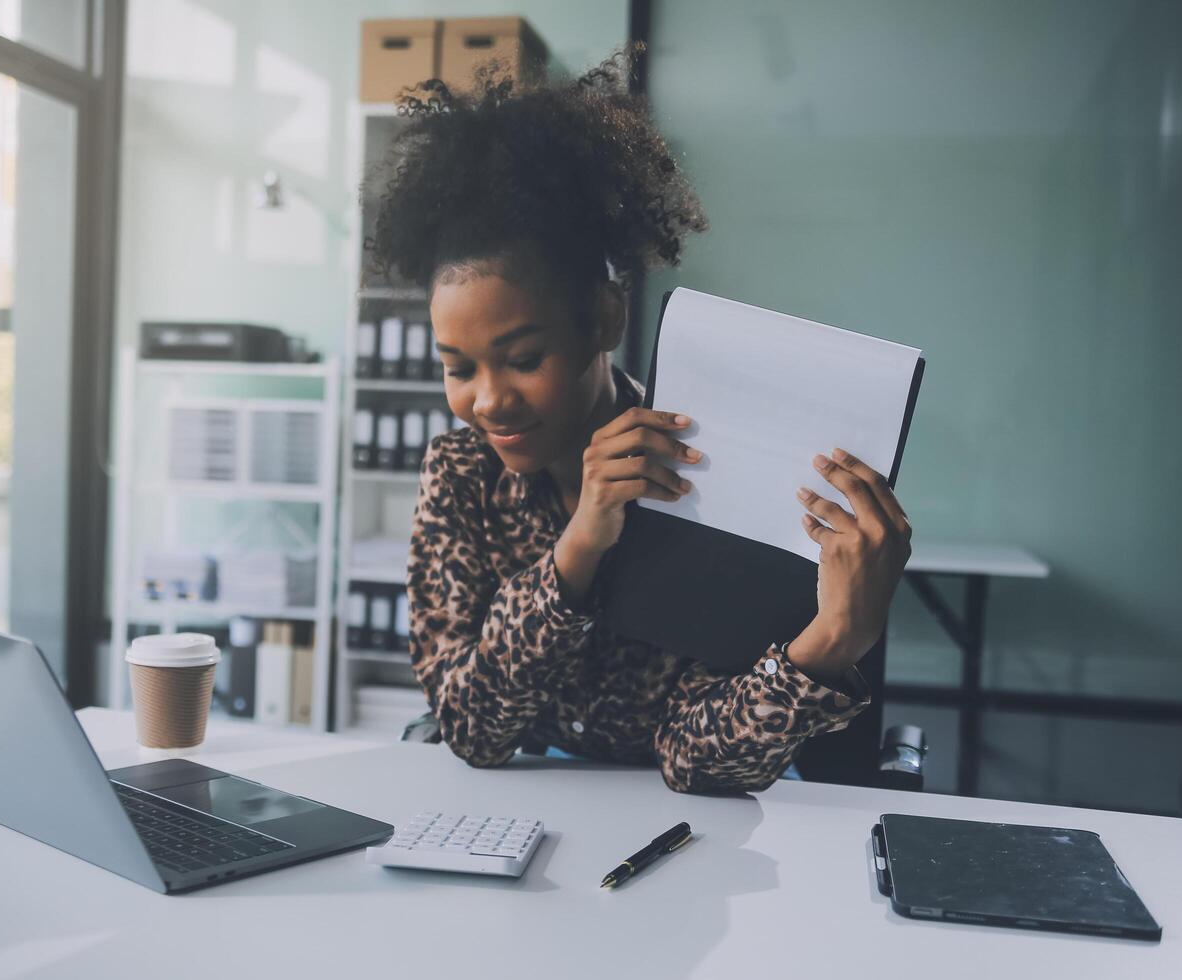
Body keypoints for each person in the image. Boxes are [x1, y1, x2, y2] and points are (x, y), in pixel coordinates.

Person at [366, 48, 912, 794]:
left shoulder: (703, 466)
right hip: (517, 826)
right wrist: (579, 548)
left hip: (681, 846)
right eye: (459, 368)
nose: (487, 400)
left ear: (604, 317)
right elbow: (470, 728)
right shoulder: (460, 474)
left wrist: (833, 639)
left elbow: (698, 759)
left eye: (522, 357)